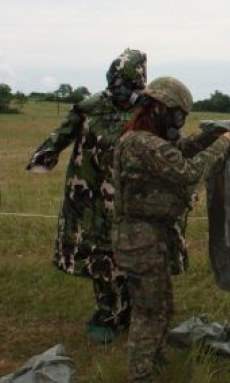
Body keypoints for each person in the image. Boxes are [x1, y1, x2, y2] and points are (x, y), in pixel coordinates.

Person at [111, 76, 230, 383]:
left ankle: (151, 359)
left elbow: (179, 152)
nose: (179, 123)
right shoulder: (141, 144)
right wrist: (223, 144)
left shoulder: (145, 141)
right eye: (178, 115)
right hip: (141, 241)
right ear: (161, 109)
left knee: (162, 306)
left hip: (149, 238)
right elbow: (187, 171)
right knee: (149, 313)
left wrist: (210, 135)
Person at [26, 48, 147, 343]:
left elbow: (170, 145)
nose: (122, 92)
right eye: (118, 85)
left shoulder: (147, 109)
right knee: (99, 255)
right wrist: (45, 155)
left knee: (131, 256)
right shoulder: (90, 108)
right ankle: (106, 312)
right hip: (91, 197)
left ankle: (131, 310)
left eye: (129, 86)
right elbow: (61, 135)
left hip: (132, 198)